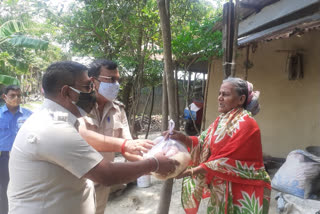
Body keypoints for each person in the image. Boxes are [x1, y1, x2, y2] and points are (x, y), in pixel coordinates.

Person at [7, 61, 178, 214]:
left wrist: (154, 157)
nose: (91, 92)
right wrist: (154, 163)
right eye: (87, 87)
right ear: (66, 92)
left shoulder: (66, 119)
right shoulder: (51, 128)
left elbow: (129, 147)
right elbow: (107, 174)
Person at [168, 77, 271, 214]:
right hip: (221, 184)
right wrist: (183, 138)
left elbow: (228, 160)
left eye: (225, 94)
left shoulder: (247, 123)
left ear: (241, 99)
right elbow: (203, 142)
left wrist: (191, 171)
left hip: (243, 187)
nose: (220, 98)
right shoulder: (221, 120)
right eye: (220, 93)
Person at [78, 59, 153, 214]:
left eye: (118, 80)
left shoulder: (118, 110)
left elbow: (129, 147)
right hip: (79, 185)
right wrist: (124, 145)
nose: (116, 84)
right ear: (93, 81)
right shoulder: (77, 107)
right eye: (111, 79)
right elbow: (85, 137)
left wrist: (153, 164)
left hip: (103, 184)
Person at [0, 85, 32, 214]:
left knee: (23, 187)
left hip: (24, 157)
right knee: (4, 187)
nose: (17, 98)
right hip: (4, 157)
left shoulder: (29, 115)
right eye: (12, 95)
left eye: (19, 95)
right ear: (4, 97)